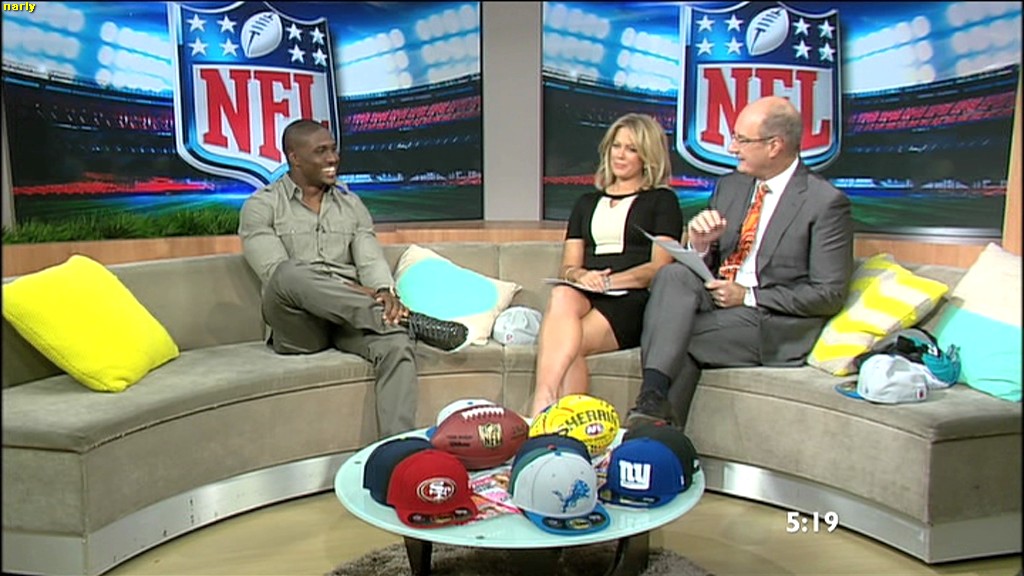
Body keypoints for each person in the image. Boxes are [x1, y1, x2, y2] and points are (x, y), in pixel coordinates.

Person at [625, 96, 854, 429]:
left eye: (742, 140)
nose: (732, 148)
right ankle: (654, 406)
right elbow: (709, 263)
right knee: (672, 275)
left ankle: (653, 423)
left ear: (775, 145)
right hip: (718, 299)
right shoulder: (731, 186)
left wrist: (747, 296)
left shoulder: (825, 203)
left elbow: (829, 293)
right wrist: (700, 244)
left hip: (770, 320)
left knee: (674, 336)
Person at [238, 119, 469, 438]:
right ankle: (403, 320)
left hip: (350, 321)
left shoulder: (352, 205)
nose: (333, 158)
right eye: (321, 151)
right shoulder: (261, 206)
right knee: (288, 273)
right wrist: (366, 296)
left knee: (396, 344)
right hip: (299, 324)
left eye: (333, 149)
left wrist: (384, 291)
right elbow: (273, 272)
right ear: (295, 157)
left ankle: (398, 449)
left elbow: (369, 258)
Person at [528, 113, 683, 417]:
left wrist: (609, 282)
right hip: (586, 292)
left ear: (647, 157)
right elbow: (568, 268)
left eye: (631, 149)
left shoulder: (662, 202)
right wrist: (582, 276)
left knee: (567, 345)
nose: (620, 155)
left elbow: (659, 268)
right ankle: (546, 405)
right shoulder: (585, 203)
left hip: (631, 299)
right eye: (616, 146)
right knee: (562, 293)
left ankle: (547, 417)